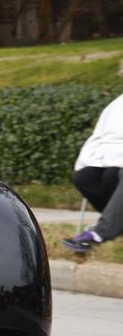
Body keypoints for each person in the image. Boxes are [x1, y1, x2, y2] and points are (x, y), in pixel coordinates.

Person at [63, 92, 123, 253]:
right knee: (85, 177)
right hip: (113, 154)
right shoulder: (117, 104)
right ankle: (117, 224)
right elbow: (101, 136)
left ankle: (99, 234)